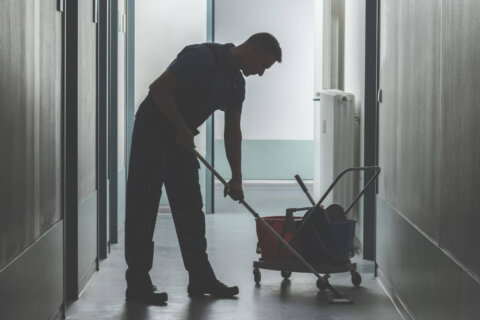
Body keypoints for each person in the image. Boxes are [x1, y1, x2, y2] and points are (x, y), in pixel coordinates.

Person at [125, 32, 282, 305]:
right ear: (254, 50)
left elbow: (233, 130)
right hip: (152, 131)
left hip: (180, 139)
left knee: (190, 209)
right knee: (143, 207)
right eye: (263, 66)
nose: (261, 73)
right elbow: (158, 88)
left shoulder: (236, 84)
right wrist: (181, 127)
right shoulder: (201, 57)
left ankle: (200, 278)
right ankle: (137, 284)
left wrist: (237, 178)